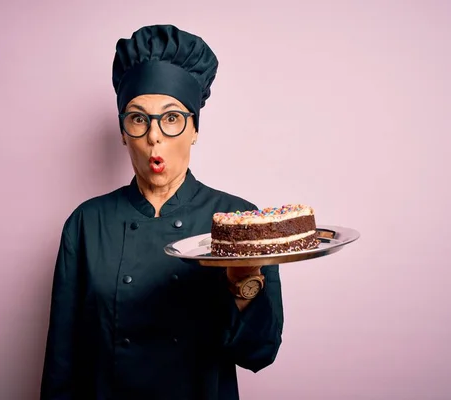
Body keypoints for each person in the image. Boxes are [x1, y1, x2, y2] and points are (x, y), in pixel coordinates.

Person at [40, 24, 283, 400]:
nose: (154, 136)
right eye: (139, 118)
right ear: (123, 132)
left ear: (194, 129)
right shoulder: (87, 223)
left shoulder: (240, 221)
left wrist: (244, 285)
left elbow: (259, 353)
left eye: (171, 118)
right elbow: (61, 362)